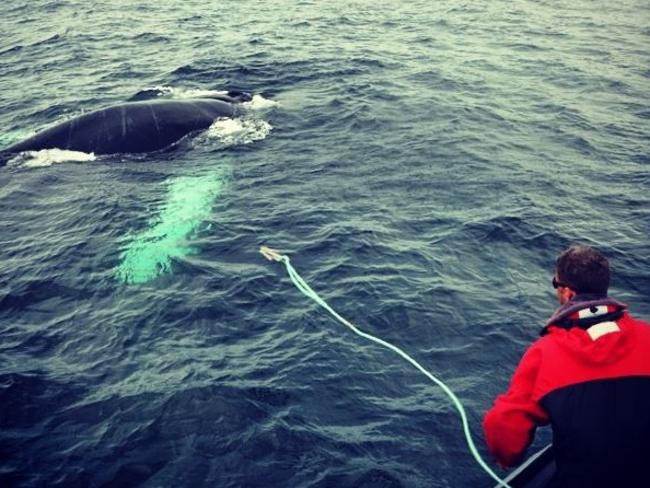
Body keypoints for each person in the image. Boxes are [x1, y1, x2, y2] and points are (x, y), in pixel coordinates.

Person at [483, 244, 650, 487]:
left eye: (555, 284)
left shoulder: (544, 353)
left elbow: (504, 431)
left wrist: (505, 457)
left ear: (568, 294)